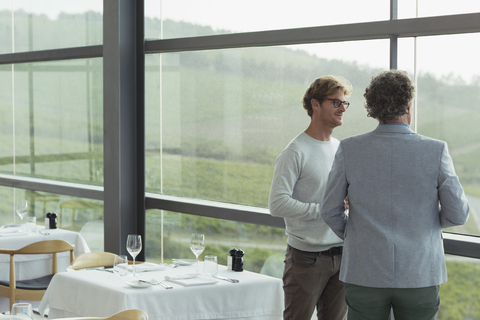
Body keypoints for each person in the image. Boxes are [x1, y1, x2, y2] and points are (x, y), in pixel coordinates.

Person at [320, 69, 470, 320]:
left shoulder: (349, 148)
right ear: (408, 104)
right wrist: (425, 221)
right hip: (420, 272)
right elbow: (458, 214)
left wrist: (357, 233)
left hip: (364, 271)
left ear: (374, 108)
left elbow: (329, 211)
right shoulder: (435, 150)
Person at [269, 75, 352, 320]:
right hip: (306, 259)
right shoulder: (295, 151)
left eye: (345, 103)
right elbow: (277, 203)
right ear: (315, 104)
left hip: (341, 253)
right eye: (336, 102)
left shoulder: (339, 147)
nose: (342, 108)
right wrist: (324, 209)